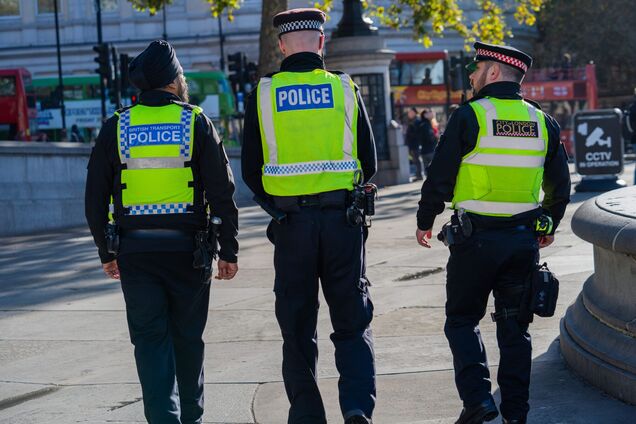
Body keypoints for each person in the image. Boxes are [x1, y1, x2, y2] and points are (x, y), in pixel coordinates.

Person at [414, 42, 571, 424]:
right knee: (515, 329)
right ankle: (516, 414)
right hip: (522, 242)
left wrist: (426, 218)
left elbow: (440, 175)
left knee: (462, 321)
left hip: (475, 242)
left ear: (495, 72)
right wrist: (548, 224)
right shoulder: (542, 120)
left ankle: (478, 401)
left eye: (477, 67)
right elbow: (560, 185)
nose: (471, 74)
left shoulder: (470, 115)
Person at [85, 40, 239, 424]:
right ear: (172, 81)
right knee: (188, 340)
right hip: (190, 254)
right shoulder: (195, 121)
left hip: (135, 254)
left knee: (150, 343)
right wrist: (229, 250)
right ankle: (192, 418)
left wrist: (106, 252)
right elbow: (222, 192)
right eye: (181, 75)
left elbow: (94, 198)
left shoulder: (117, 126)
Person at [241, 8, 377, 424]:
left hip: (292, 226)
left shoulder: (264, 94)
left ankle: (306, 415)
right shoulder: (344, 88)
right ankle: (356, 408)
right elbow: (369, 162)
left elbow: (250, 170)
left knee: (297, 327)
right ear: (321, 42)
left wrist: (280, 206)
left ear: (282, 45)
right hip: (342, 224)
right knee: (352, 322)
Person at [405, 107, 424, 180]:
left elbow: (417, 133)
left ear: (414, 112)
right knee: (415, 160)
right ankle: (418, 174)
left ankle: (419, 175)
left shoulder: (416, 121)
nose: (409, 114)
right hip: (413, 144)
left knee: (417, 160)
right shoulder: (413, 120)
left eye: (410, 112)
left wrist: (409, 134)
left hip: (415, 144)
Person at [419, 108, 437, 175]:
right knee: (433, 171)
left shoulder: (425, 124)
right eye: (429, 112)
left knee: (428, 172)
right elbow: (429, 138)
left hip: (426, 150)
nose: (432, 113)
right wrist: (436, 137)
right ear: (425, 115)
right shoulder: (425, 125)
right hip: (429, 151)